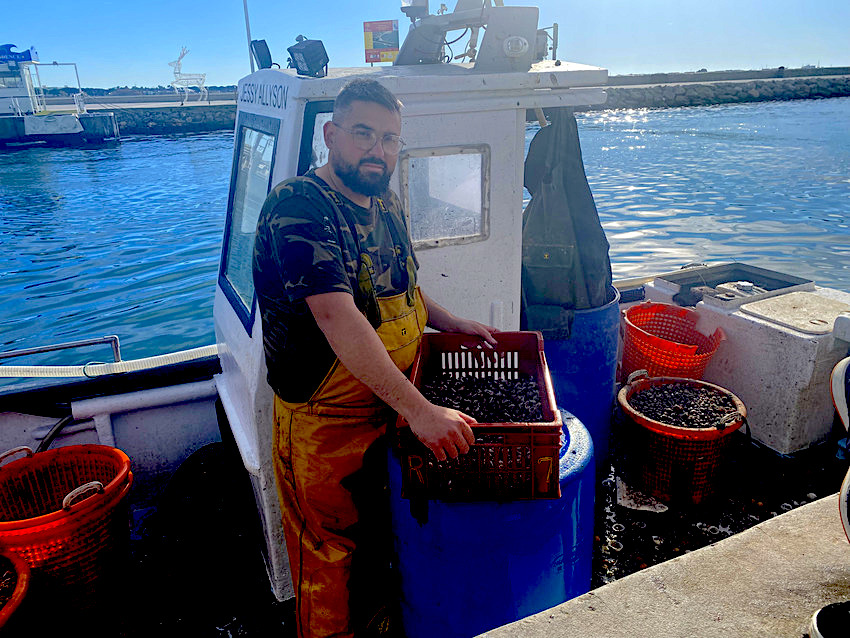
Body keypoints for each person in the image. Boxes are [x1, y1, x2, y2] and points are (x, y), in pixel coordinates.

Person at [253, 77, 497, 638]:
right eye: (363, 134)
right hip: (324, 423)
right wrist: (422, 412)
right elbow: (339, 316)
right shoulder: (299, 207)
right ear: (331, 134)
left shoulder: (384, 202)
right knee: (326, 555)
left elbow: (403, 289)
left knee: (382, 534)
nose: (377, 150)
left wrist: (451, 321)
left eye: (389, 139)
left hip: (387, 407)